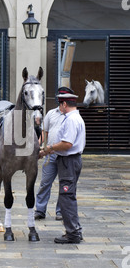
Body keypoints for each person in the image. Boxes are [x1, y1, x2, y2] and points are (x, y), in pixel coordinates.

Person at [43, 89, 86, 244]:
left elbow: (67, 144)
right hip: (71, 161)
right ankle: (76, 230)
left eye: (60, 104)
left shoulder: (70, 120)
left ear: (65, 104)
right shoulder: (75, 117)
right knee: (69, 196)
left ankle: (72, 233)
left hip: (69, 162)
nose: (59, 108)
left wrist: (49, 148)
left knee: (66, 197)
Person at [35, 87, 75, 222]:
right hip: (50, 155)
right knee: (45, 182)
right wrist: (38, 146)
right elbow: (44, 132)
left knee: (64, 184)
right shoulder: (51, 114)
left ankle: (60, 211)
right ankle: (40, 210)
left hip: (65, 155)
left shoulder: (71, 116)